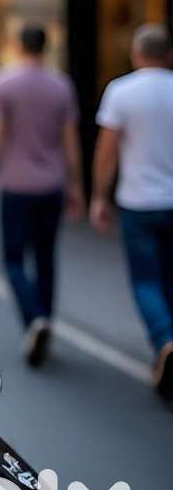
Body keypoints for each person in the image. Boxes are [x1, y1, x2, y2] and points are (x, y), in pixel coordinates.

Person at [0, 24, 84, 366]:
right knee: (46, 257)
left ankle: (33, 318)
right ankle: (45, 320)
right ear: (46, 47)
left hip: (16, 185)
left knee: (13, 258)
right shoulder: (61, 85)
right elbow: (70, 140)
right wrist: (76, 185)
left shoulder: (4, 82)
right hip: (51, 185)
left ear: (20, 46)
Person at [91, 24, 173, 399]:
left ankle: (164, 340)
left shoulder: (121, 91)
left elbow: (107, 151)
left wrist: (98, 197)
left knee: (145, 280)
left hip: (138, 200)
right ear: (168, 55)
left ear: (136, 55)